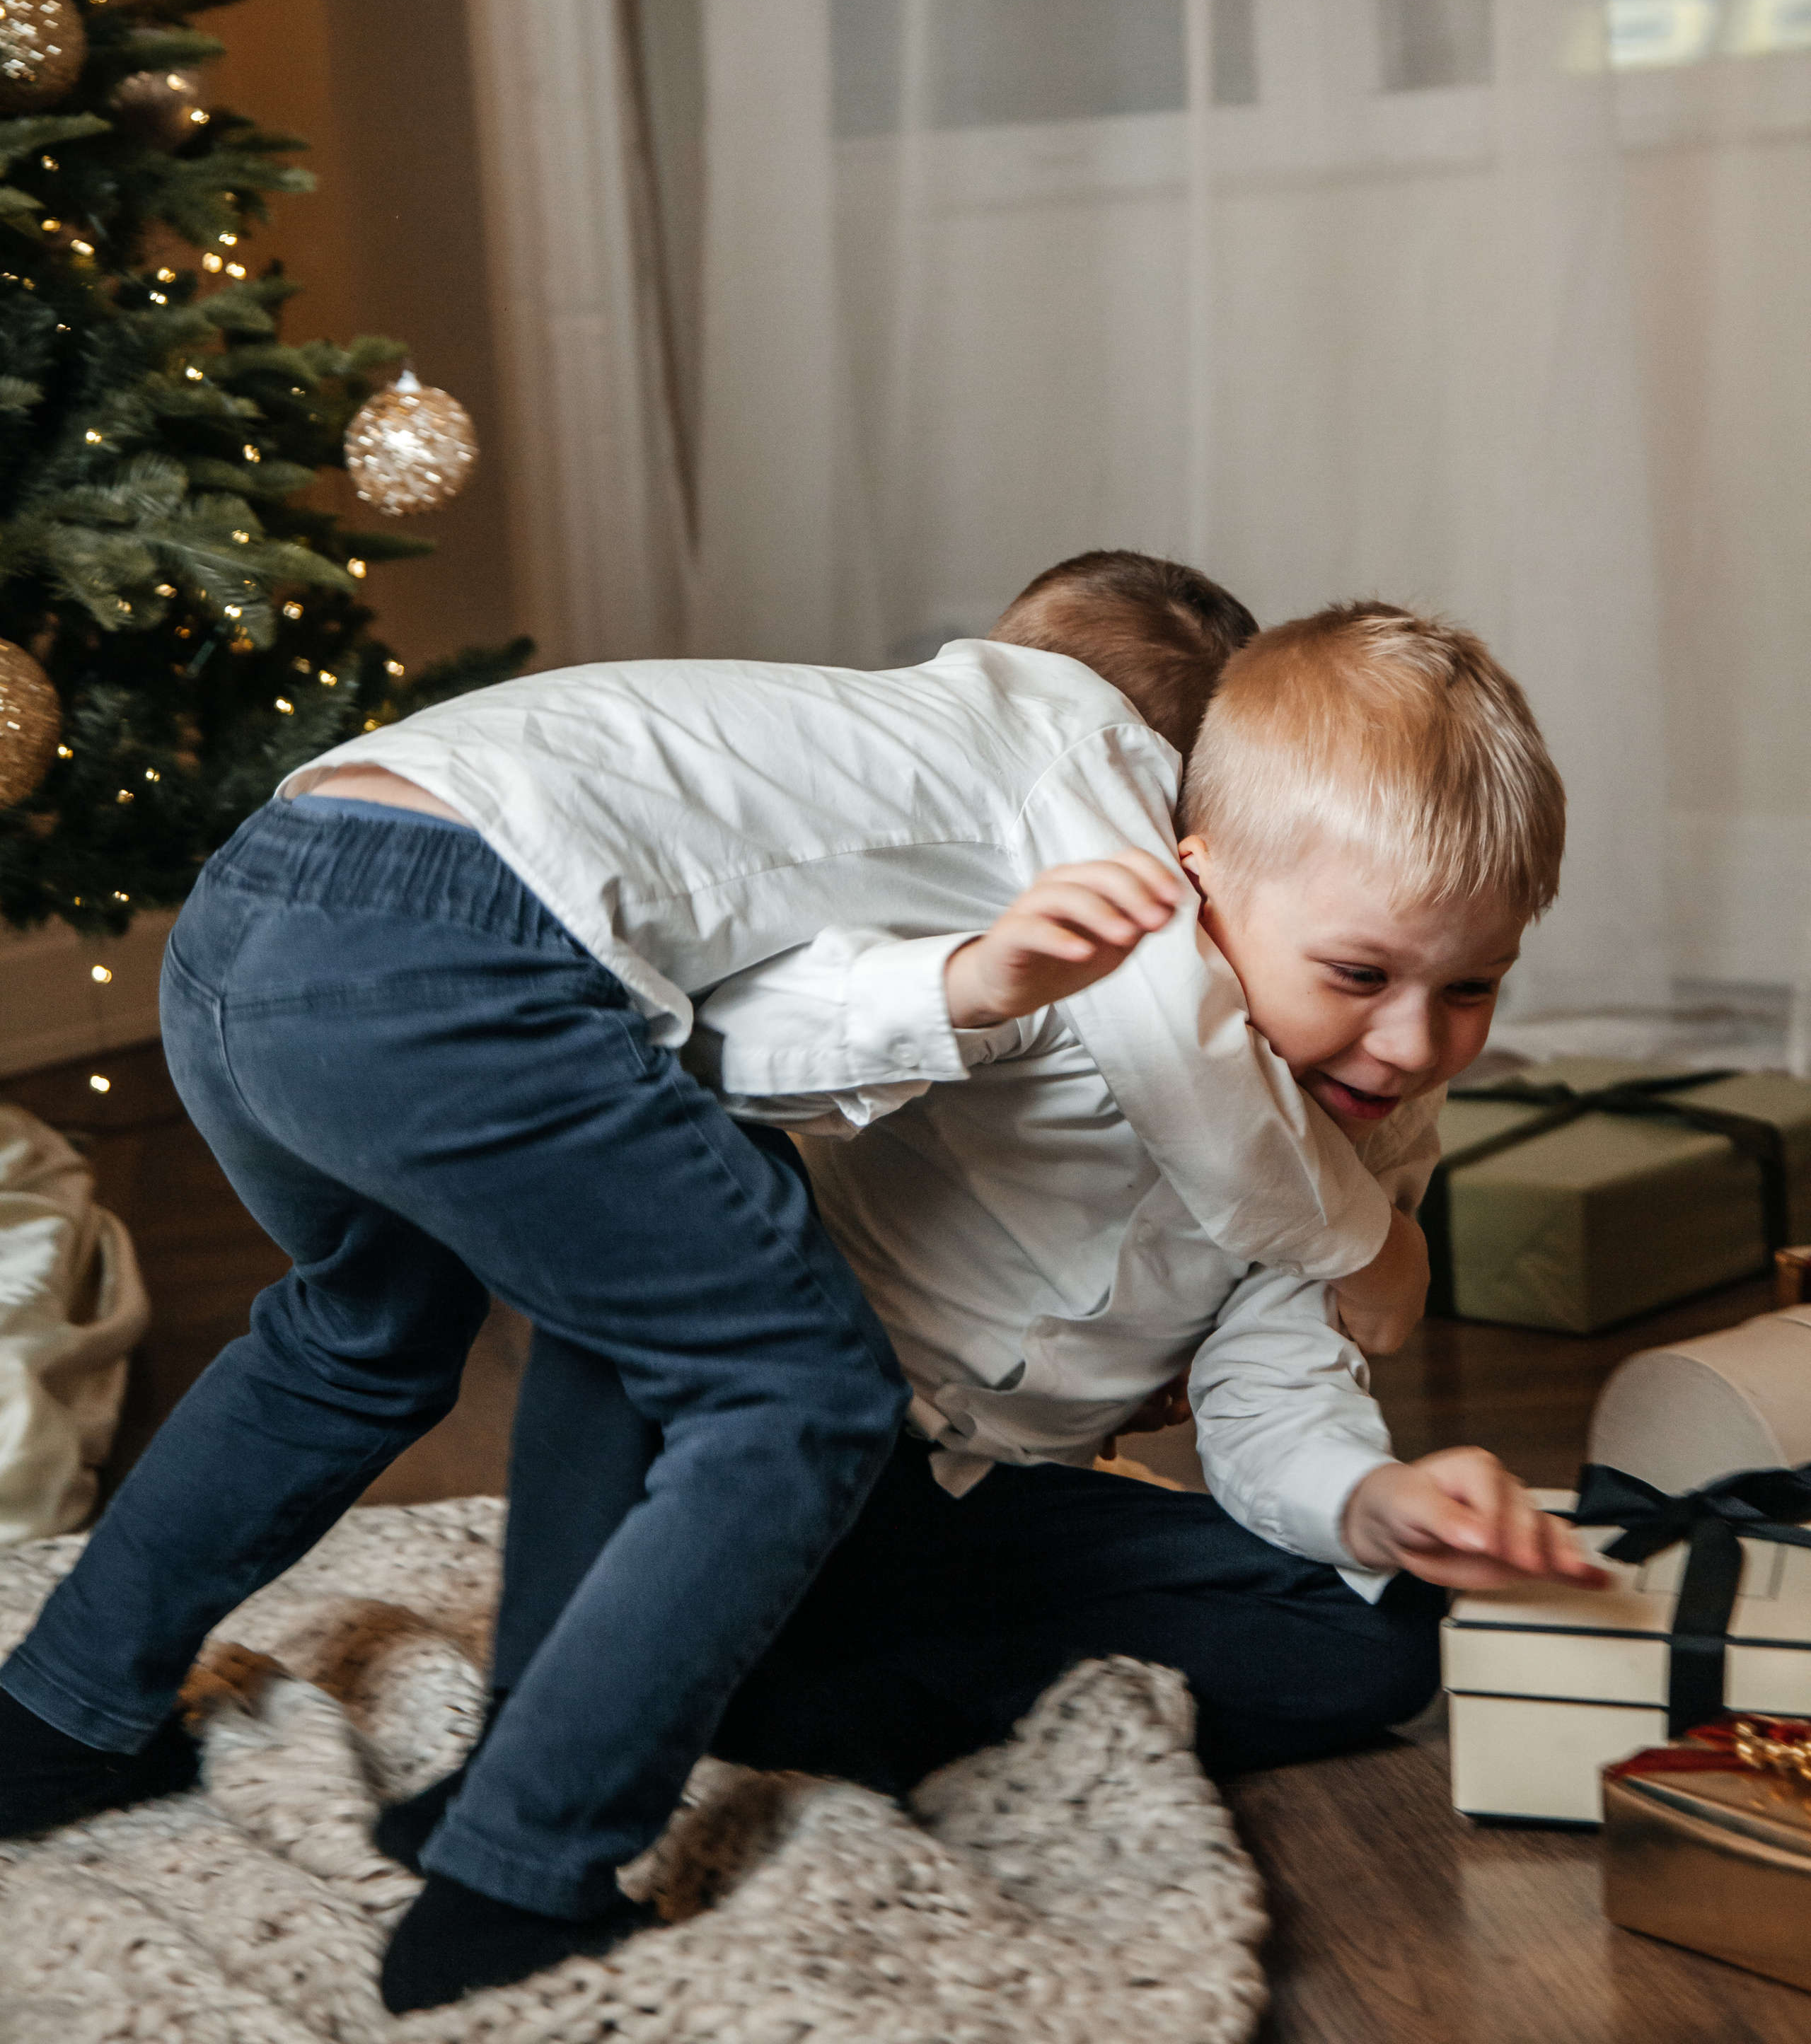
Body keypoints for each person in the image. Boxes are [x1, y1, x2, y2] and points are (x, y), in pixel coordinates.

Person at [0, 555, 1423, 2013]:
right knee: (791, 1385)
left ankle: (55, 1720)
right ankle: (512, 1880)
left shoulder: (876, 746)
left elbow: (752, 1031)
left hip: (261, 898)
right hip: (467, 935)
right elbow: (1183, 1060)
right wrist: (1365, 1240)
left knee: (356, 1336)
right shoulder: (1106, 771)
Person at [374, 600, 1605, 1859]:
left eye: (1471, 987)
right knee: (670, 1223)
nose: (1413, 1043)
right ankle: (539, 1733)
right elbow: (736, 1046)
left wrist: (1372, 1496)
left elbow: (1274, 1394)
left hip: (969, 1506)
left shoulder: (1381, 1126)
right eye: (1359, 976)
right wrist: (965, 983)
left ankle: (828, 1705)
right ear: (1201, 882)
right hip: (761, 1449)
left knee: (1379, 1642)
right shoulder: (1062, 965)